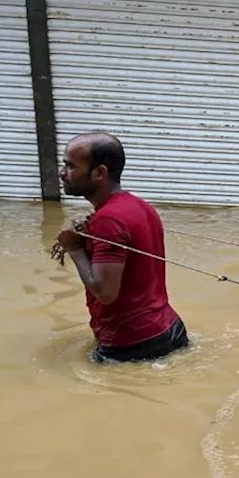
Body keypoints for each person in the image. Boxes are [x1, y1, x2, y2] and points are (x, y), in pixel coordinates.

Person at [53, 133, 188, 362]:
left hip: (131, 344)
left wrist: (75, 248)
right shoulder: (139, 205)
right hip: (170, 329)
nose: (62, 173)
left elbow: (105, 293)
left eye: (70, 165)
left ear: (99, 173)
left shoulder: (108, 220)